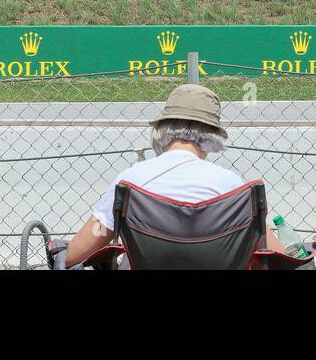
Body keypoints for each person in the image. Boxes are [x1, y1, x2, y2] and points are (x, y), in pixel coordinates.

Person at [62, 84, 287, 266]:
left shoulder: (130, 181)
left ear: (161, 130)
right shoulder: (232, 186)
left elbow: (77, 253)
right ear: (212, 137)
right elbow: (276, 255)